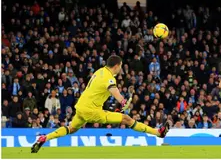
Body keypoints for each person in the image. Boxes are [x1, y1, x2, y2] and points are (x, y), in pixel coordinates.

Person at [31, 55, 169, 153]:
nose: (120, 69)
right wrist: (122, 101)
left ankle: (45, 138)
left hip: (81, 106)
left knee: (71, 128)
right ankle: (158, 133)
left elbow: (102, 90)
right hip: (91, 110)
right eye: (120, 67)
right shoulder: (108, 78)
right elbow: (112, 89)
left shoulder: (100, 71)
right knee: (127, 119)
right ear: (116, 66)